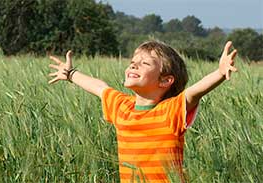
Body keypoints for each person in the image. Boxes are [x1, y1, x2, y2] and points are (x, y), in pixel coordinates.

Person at [48, 40, 237, 183]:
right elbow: (99, 87)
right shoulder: (122, 106)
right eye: (133, 61)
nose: (133, 65)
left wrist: (220, 73)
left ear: (165, 81)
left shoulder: (171, 111)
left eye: (145, 64)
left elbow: (194, 93)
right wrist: (71, 74)